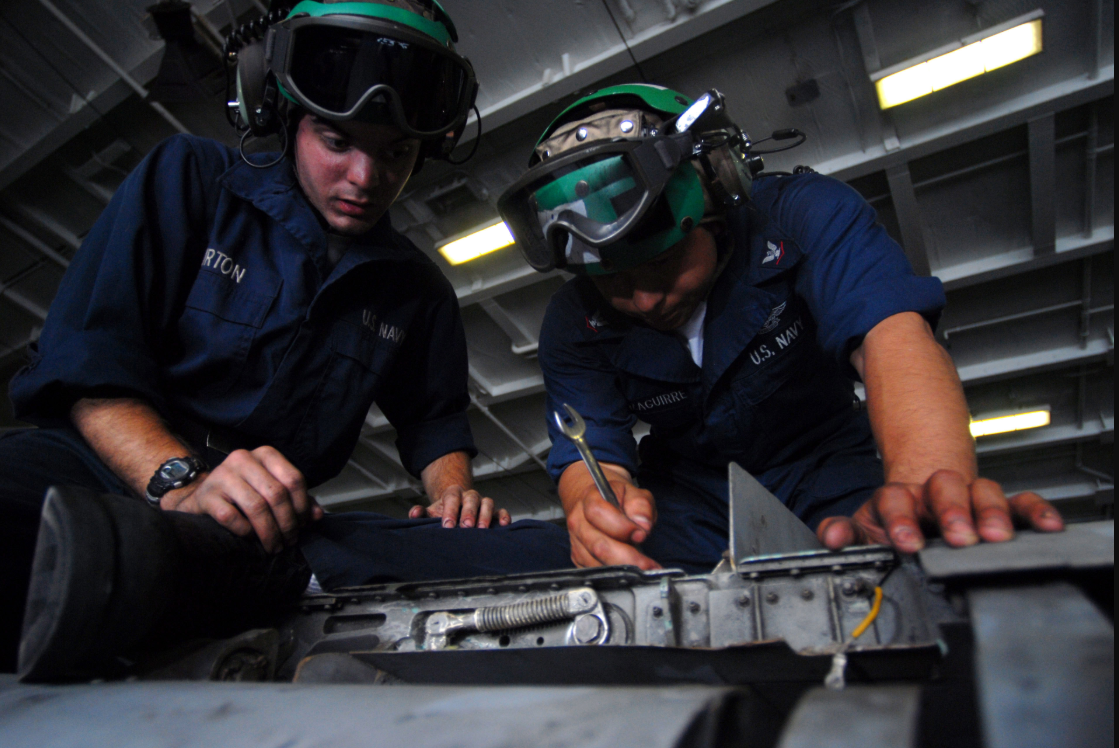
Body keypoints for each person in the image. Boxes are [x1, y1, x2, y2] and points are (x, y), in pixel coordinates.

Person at [0, 0, 571, 673]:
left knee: (541, 552)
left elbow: (434, 419)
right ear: (283, 117)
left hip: (261, 523)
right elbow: (89, 368)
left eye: (396, 153)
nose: (365, 179)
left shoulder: (419, 291)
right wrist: (181, 482)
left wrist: (452, 492)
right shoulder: (188, 180)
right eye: (337, 141)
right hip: (98, 469)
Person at [497, 84, 1065, 573]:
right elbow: (589, 450)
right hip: (687, 498)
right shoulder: (572, 324)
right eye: (612, 280)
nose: (644, 299)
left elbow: (892, 338)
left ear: (719, 189)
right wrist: (596, 507)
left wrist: (921, 488)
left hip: (829, 467)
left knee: (897, 563)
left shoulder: (806, 215)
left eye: (661, 262)